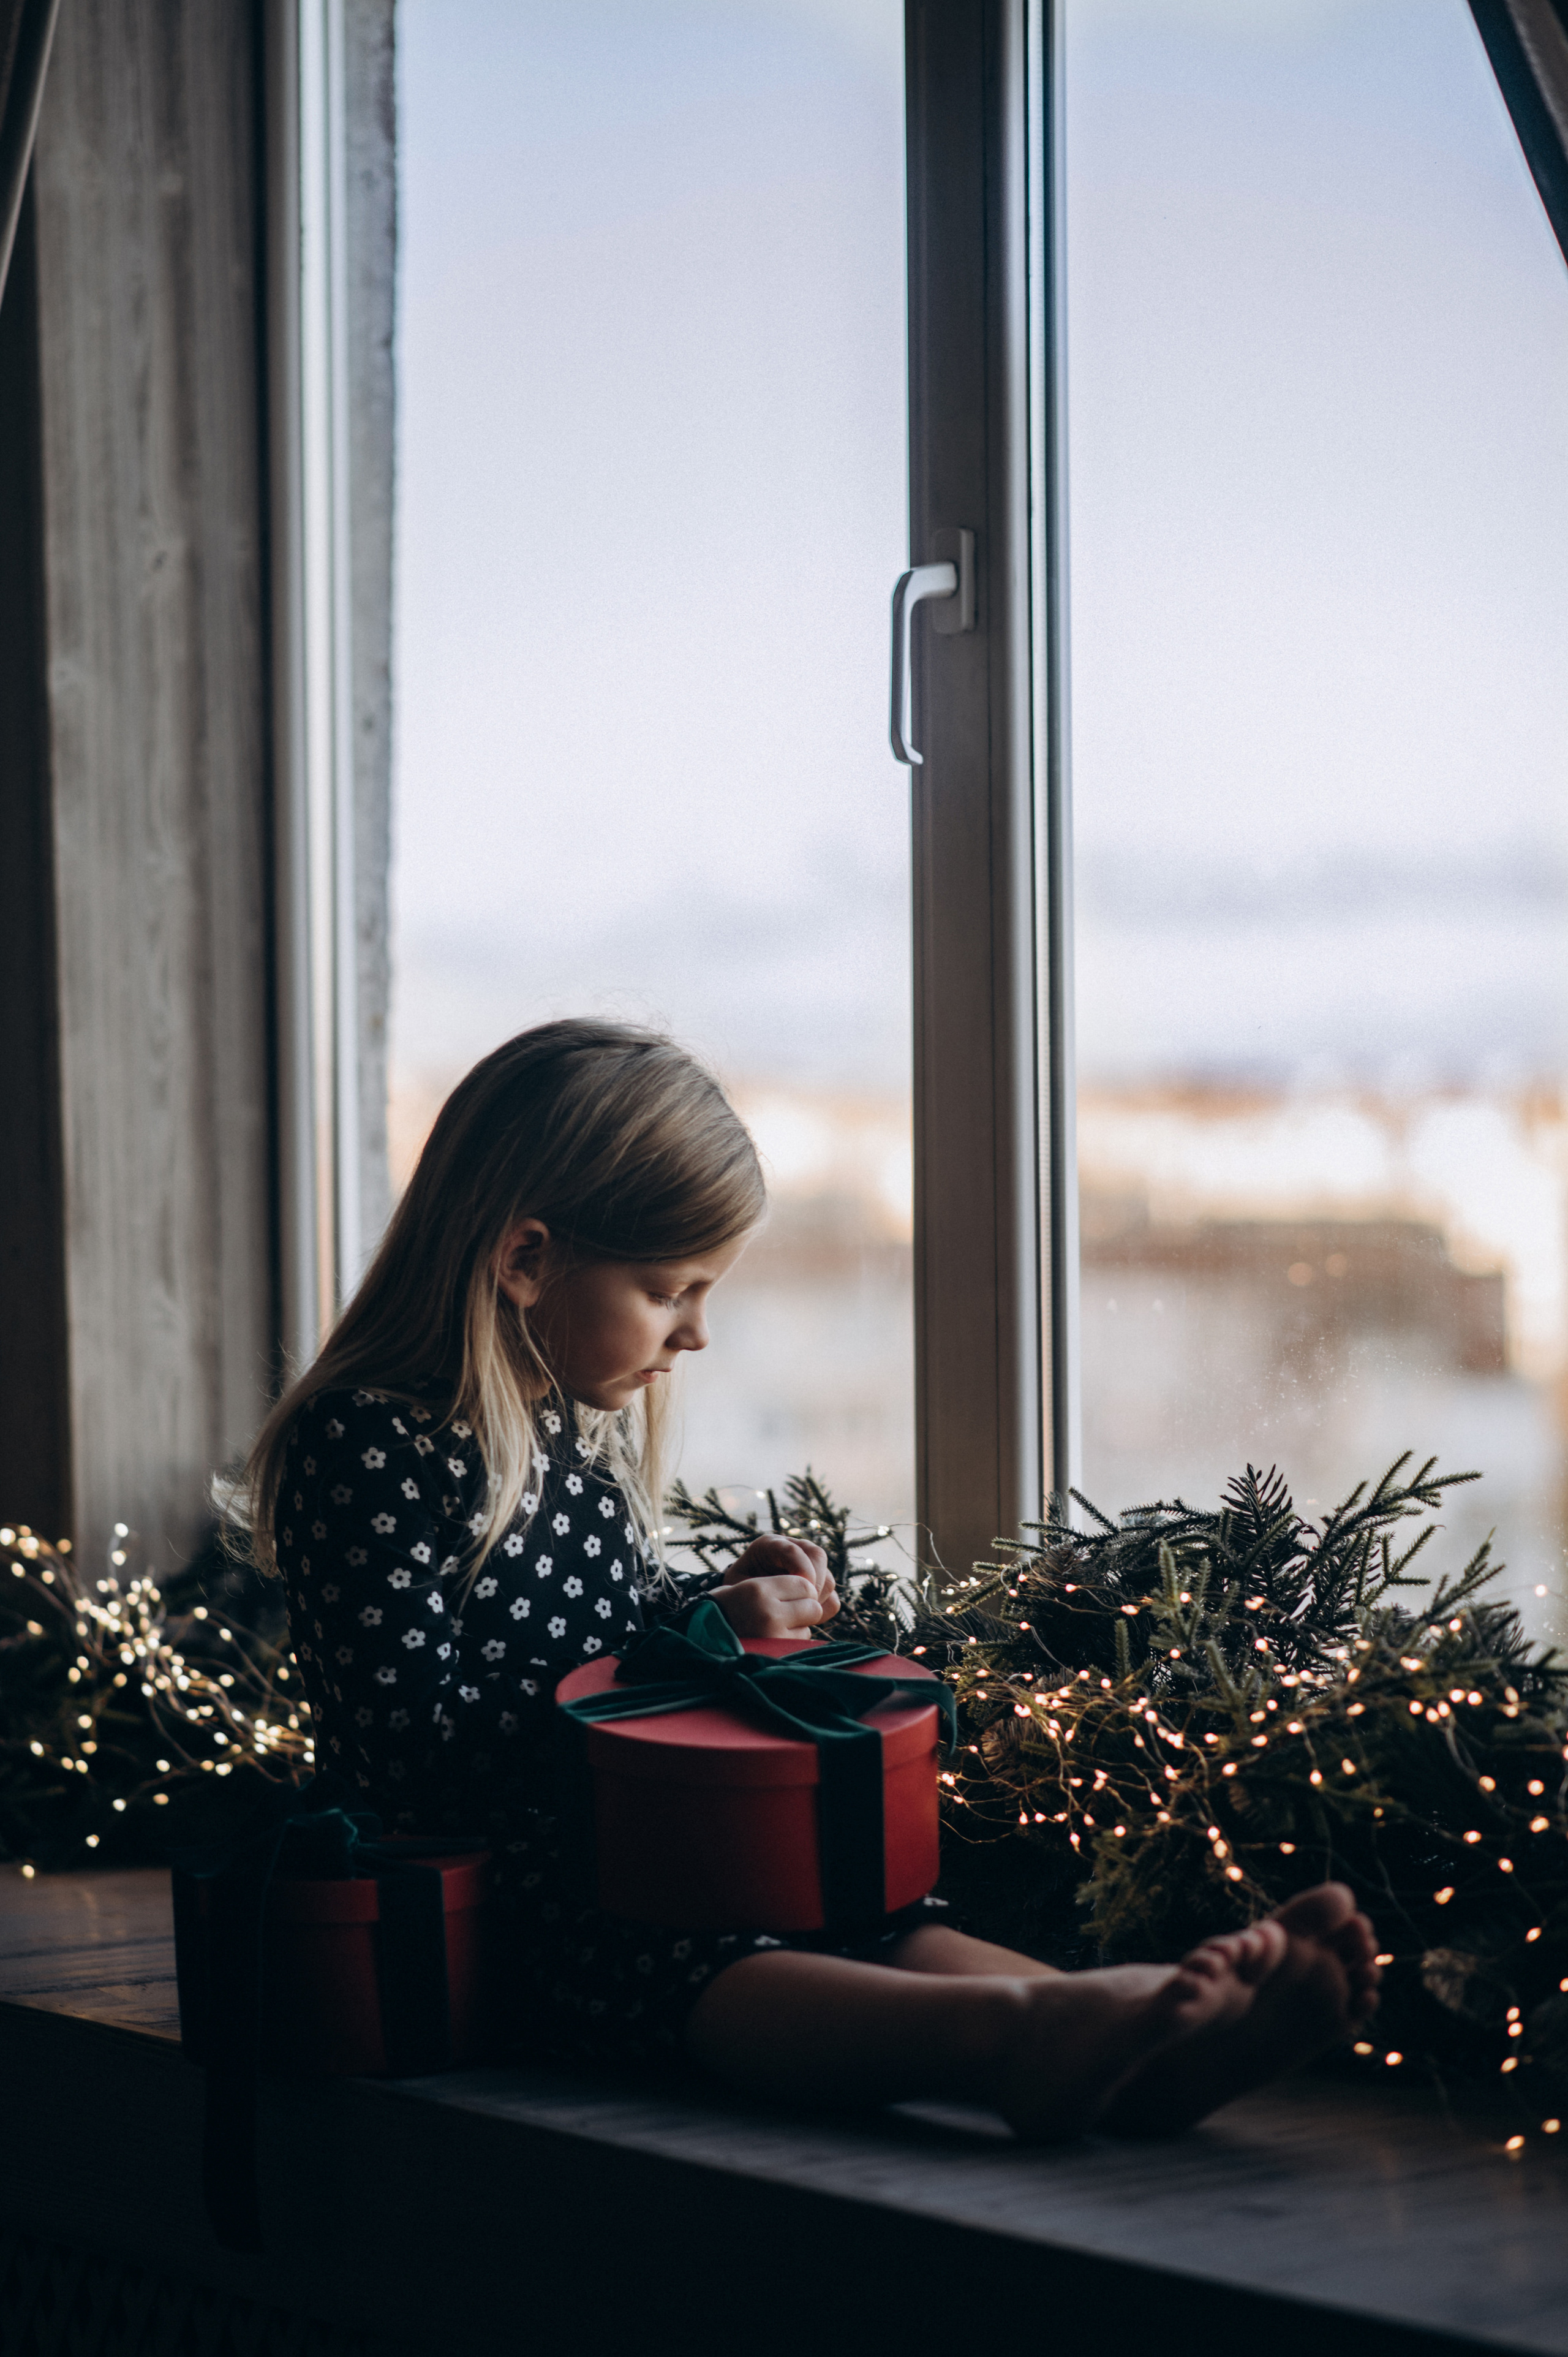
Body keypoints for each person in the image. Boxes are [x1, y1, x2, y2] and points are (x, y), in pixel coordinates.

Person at [245, 1017, 1379, 2139]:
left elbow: (592, 1640)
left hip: (624, 1839)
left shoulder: (565, 1427)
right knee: (691, 1947)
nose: (696, 1333)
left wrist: (712, 1607)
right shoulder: (365, 1443)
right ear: (526, 1258)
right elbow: (414, 1755)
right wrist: (685, 1650)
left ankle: (1132, 2035)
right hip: (481, 1896)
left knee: (847, 1904)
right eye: (670, 1290)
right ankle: (1017, 2038)